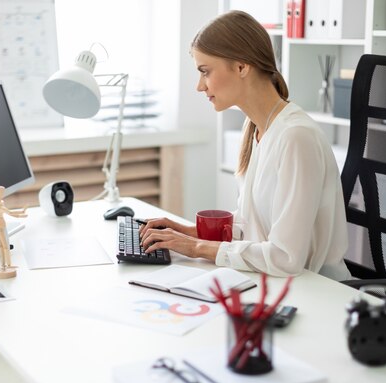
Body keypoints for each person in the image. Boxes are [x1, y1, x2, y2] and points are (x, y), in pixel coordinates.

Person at [140, 10, 351, 281]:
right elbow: (253, 226)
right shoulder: (256, 128)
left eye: (205, 72)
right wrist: (185, 232)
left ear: (241, 67)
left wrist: (196, 248)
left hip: (317, 291)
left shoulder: (296, 137)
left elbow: (285, 258)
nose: (199, 86)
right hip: (274, 283)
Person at [0, 186, 27, 278]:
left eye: (2, 193)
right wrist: (21, 215)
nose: (1, 195)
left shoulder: (1, 203)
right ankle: (8, 264)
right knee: (5, 246)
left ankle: (4, 265)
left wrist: (21, 213)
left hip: (1, 223)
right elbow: (7, 212)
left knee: (1, 245)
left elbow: (9, 212)